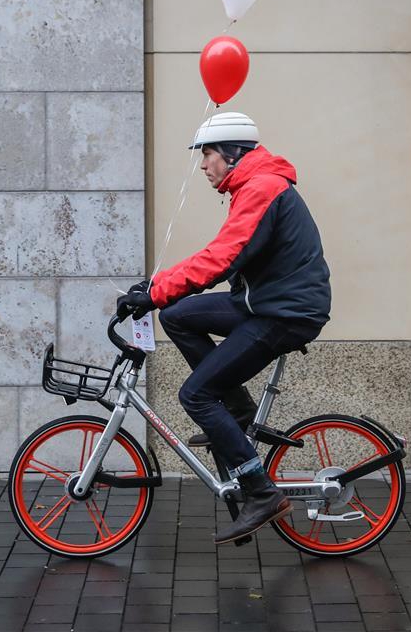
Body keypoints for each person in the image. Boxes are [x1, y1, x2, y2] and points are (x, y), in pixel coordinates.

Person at [117, 112, 331, 544]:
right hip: (262, 303)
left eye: (208, 154)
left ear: (234, 154)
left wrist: (155, 293)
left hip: (285, 314)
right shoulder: (255, 186)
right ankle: (235, 410)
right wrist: (158, 288)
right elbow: (217, 253)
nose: (203, 165)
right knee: (178, 315)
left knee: (195, 393)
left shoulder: (263, 188)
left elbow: (220, 259)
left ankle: (260, 492)